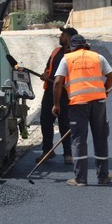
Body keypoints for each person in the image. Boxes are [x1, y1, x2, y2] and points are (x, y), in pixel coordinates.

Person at [52, 34, 112, 186]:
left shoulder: (67, 58)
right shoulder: (98, 57)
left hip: (78, 103)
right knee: (100, 137)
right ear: (86, 45)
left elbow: (57, 83)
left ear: (72, 47)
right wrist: (104, 89)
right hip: (98, 102)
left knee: (78, 140)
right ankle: (103, 176)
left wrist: (56, 105)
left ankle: (80, 179)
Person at [36, 27, 78, 164]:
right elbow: (48, 68)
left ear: (70, 38)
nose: (60, 37)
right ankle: (47, 151)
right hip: (50, 92)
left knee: (65, 124)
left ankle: (68, 154)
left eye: (63, 35)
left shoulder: (75, 54)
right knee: (45, 122)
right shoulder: (56, 51)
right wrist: (45, 75)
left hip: (66, 94)